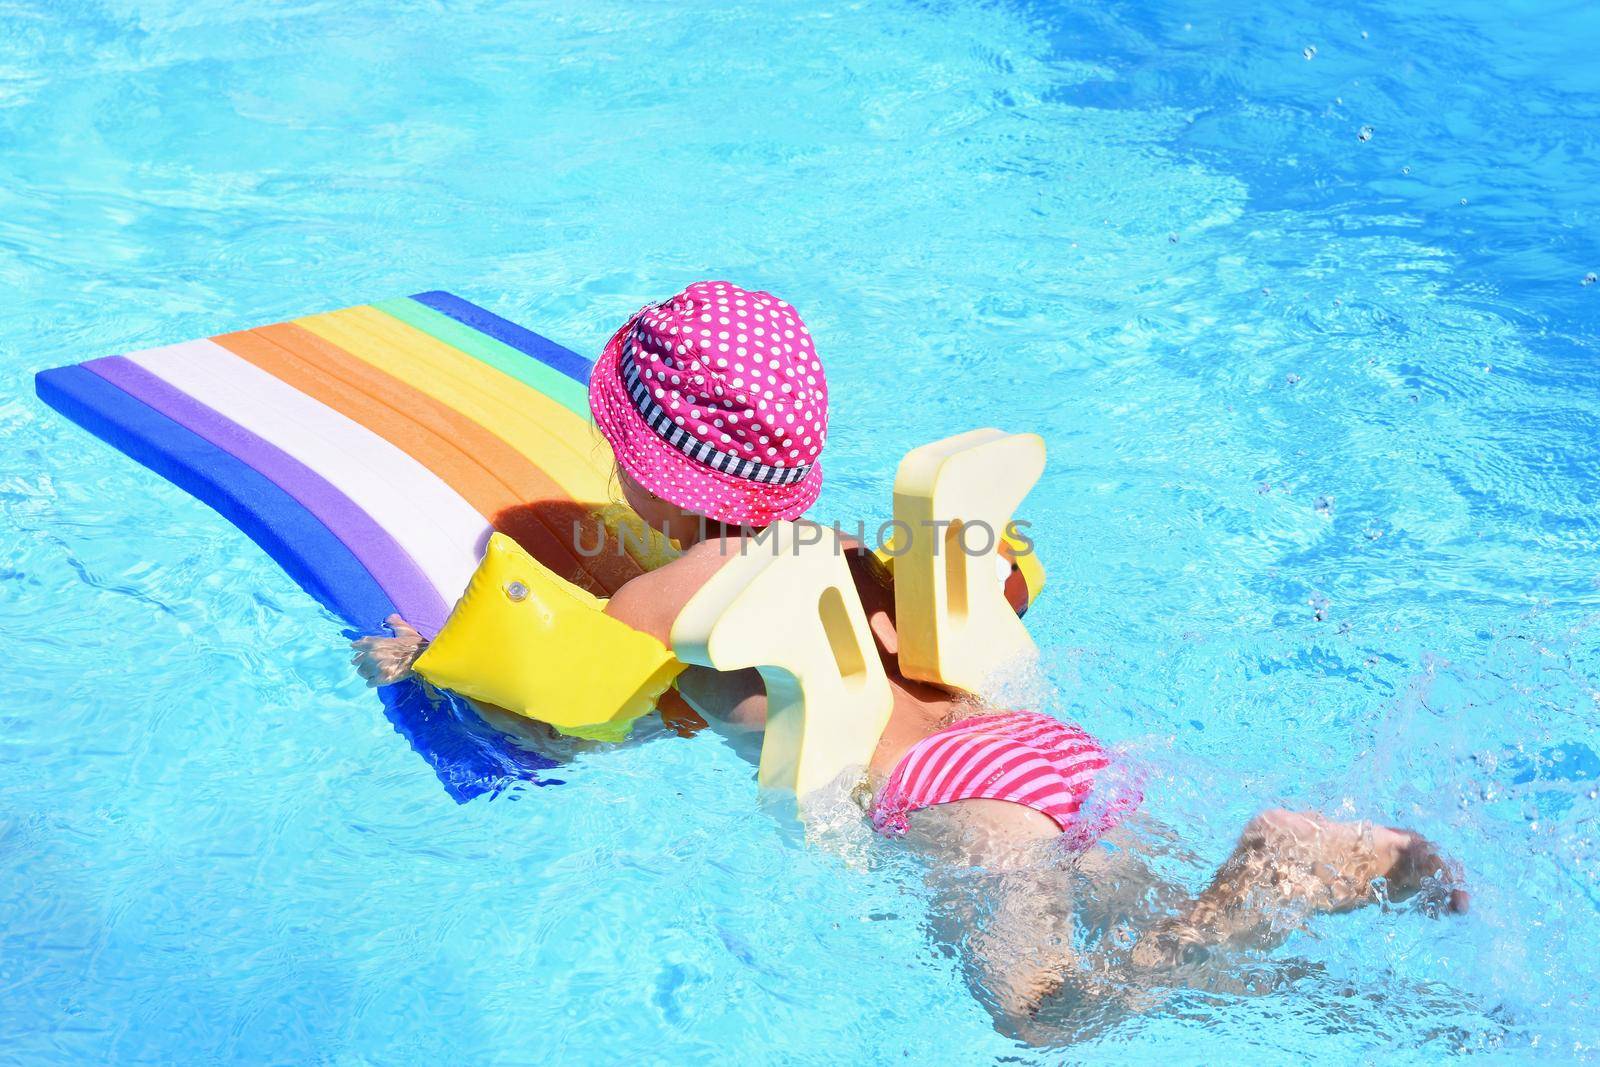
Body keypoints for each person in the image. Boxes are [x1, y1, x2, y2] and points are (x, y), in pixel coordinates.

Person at [352, 281, 1467, 1034]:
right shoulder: (853, 554)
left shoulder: (667, 598)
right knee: (1186, 949)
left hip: (949, 807)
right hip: (1037, 754)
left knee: (1043, 1012)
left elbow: (552, 728)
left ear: (648, 473)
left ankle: (1268, 864)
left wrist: (419, 668)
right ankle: (1373, 960)